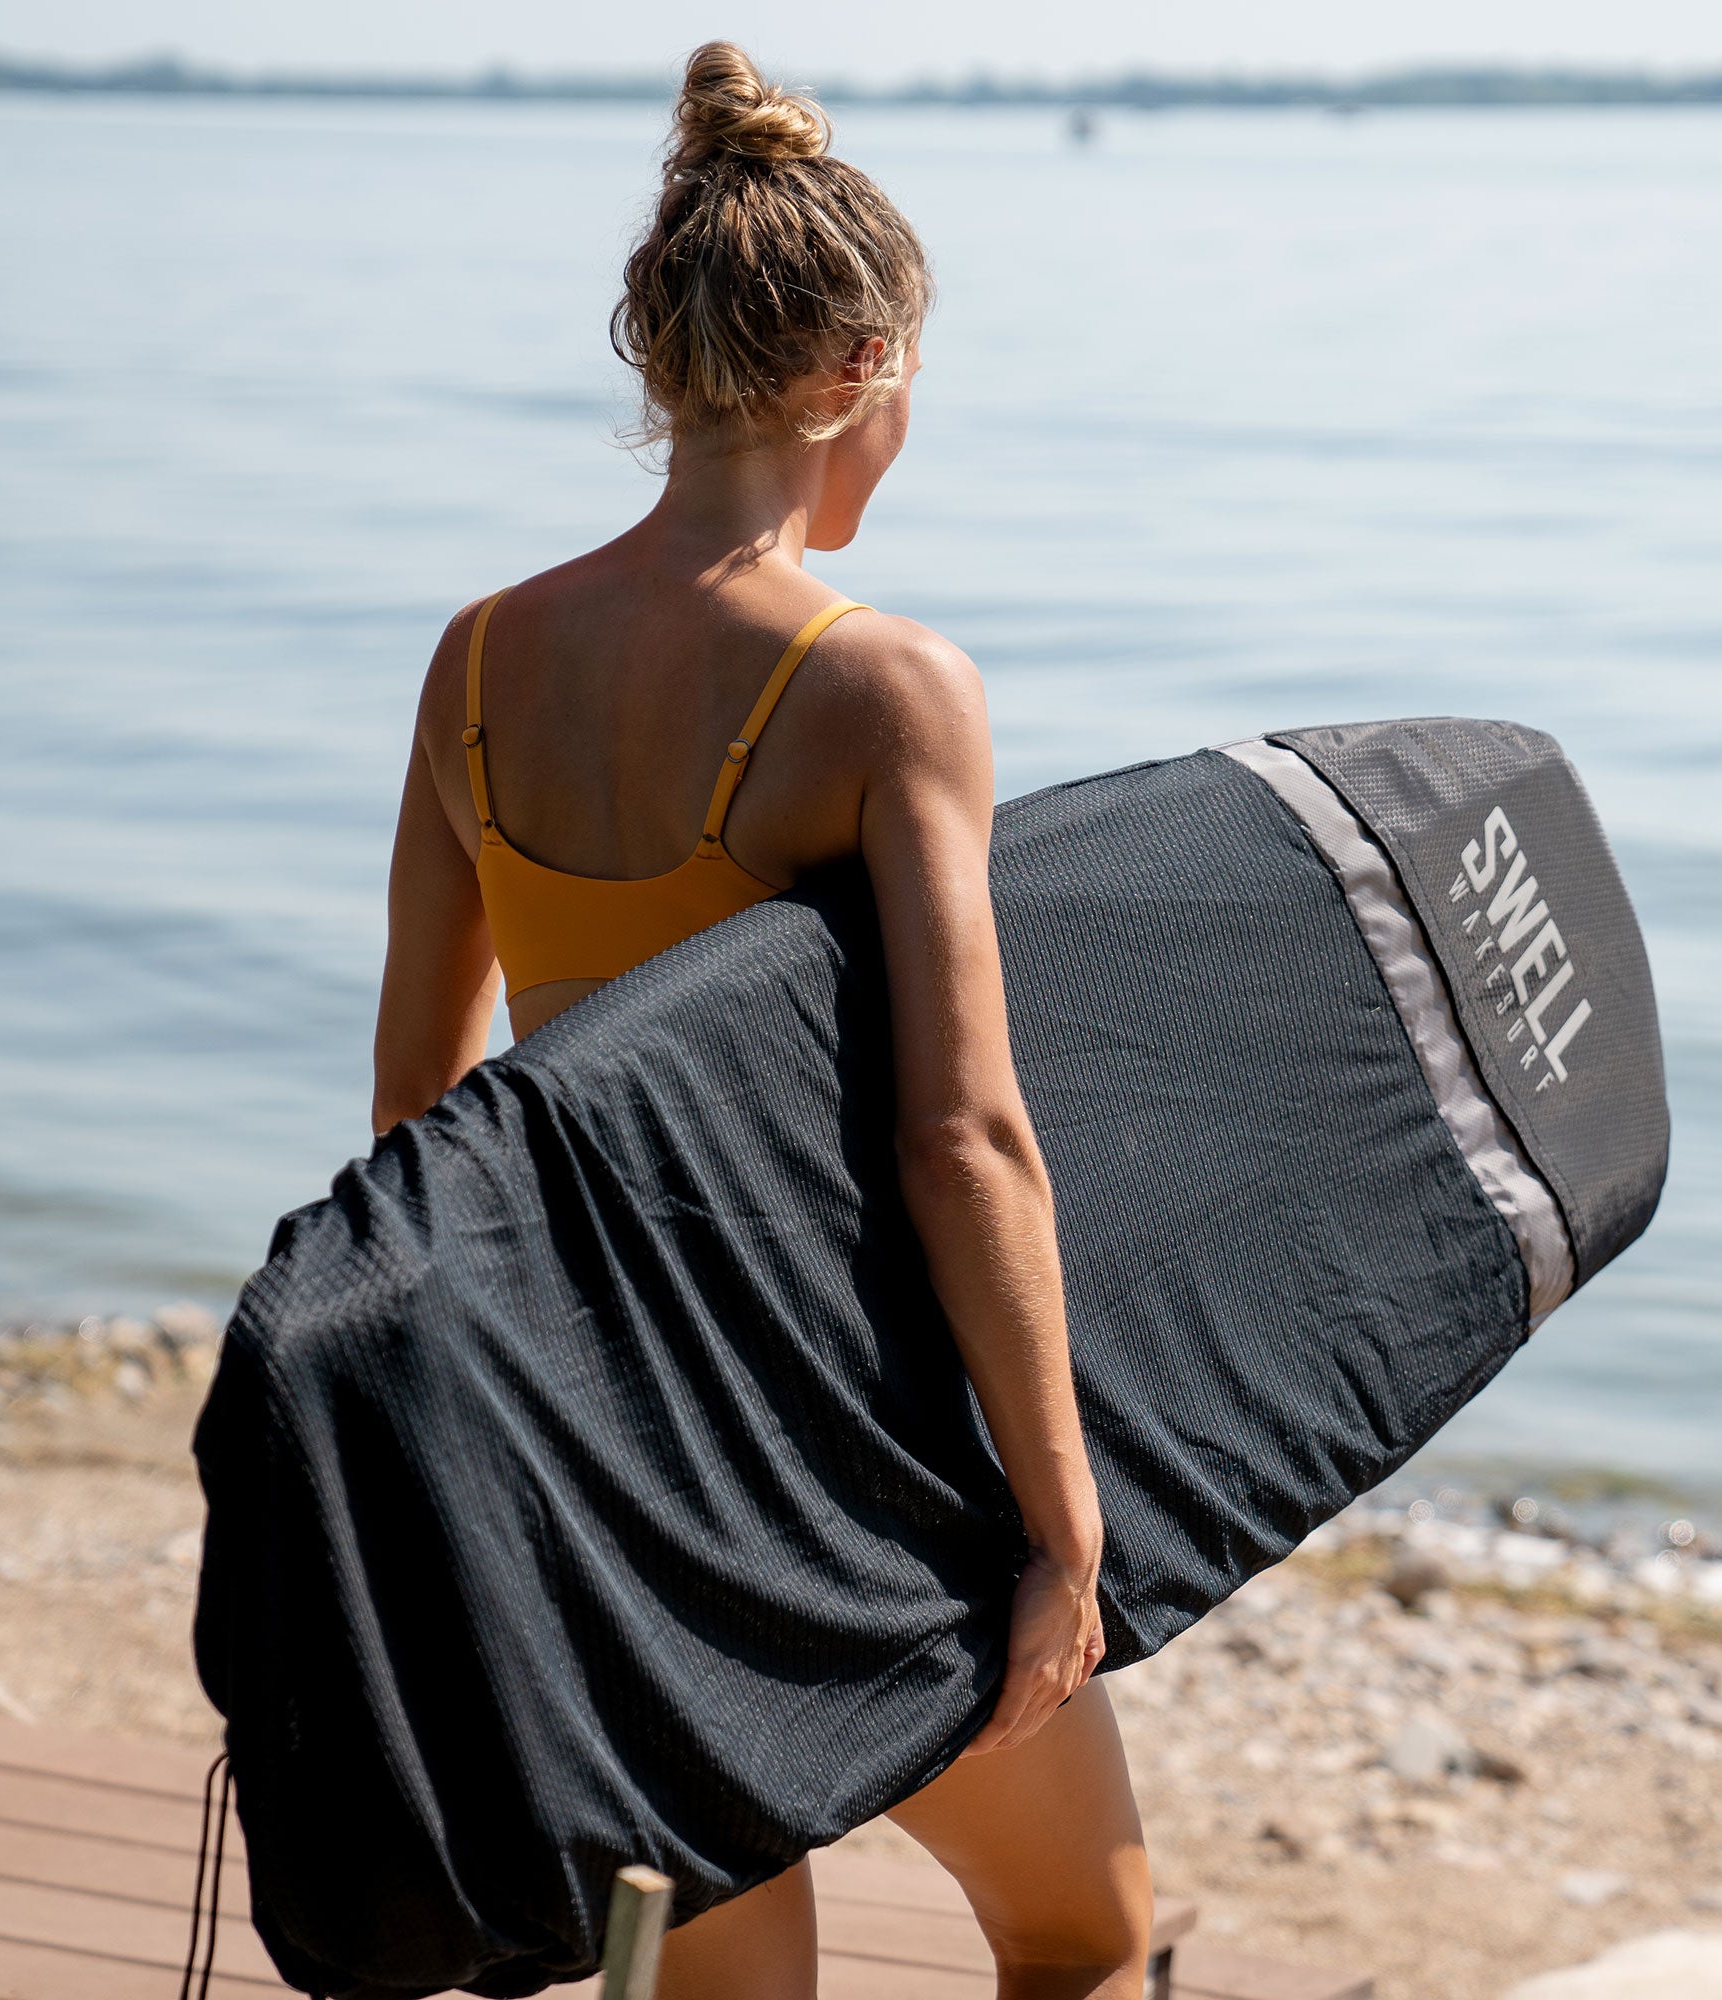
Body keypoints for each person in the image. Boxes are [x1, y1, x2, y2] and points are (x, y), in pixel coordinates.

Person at [368, 41, 1151, 2000]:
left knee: (726, 1985)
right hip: (839, 1439)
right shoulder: (889, 688)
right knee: (1082, 1930)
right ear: (848, 377)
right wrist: (1059, 1525)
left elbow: (416, 1126)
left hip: (597, 1443)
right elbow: (961, 1135)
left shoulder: (475, 662)